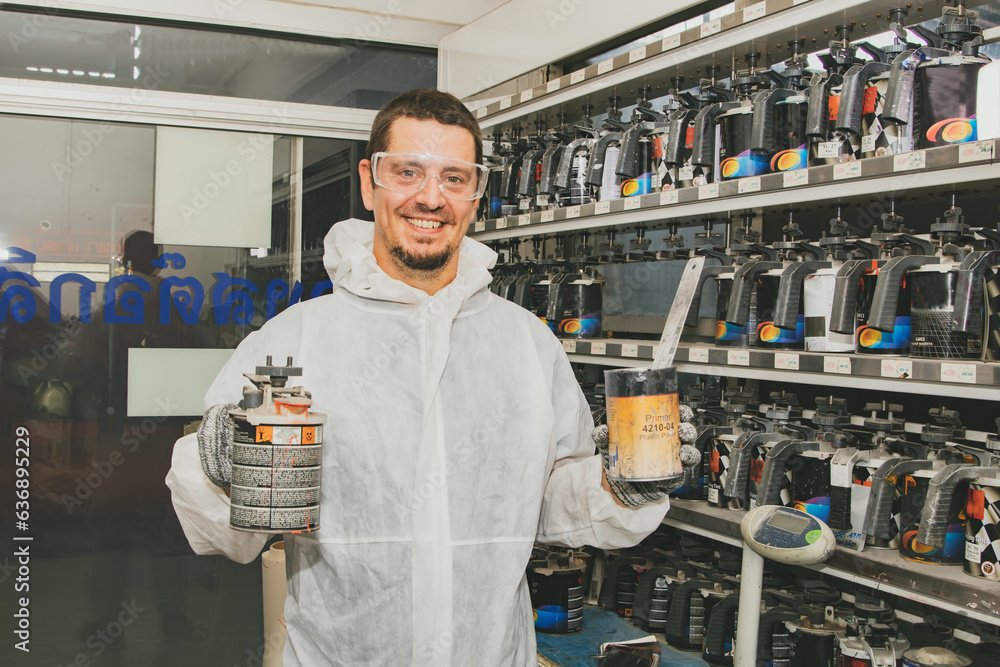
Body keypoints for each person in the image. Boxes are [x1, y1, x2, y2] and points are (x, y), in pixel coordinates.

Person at [166, 88, 697, 666]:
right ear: (370, 183)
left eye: (453, 177)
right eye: (408, 172)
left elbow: (547, 502)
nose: (430, 197)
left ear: (475, 195)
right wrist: (220, 466)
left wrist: (621, 484)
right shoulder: (296, 342)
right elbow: (230, 536)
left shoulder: (525, 343)